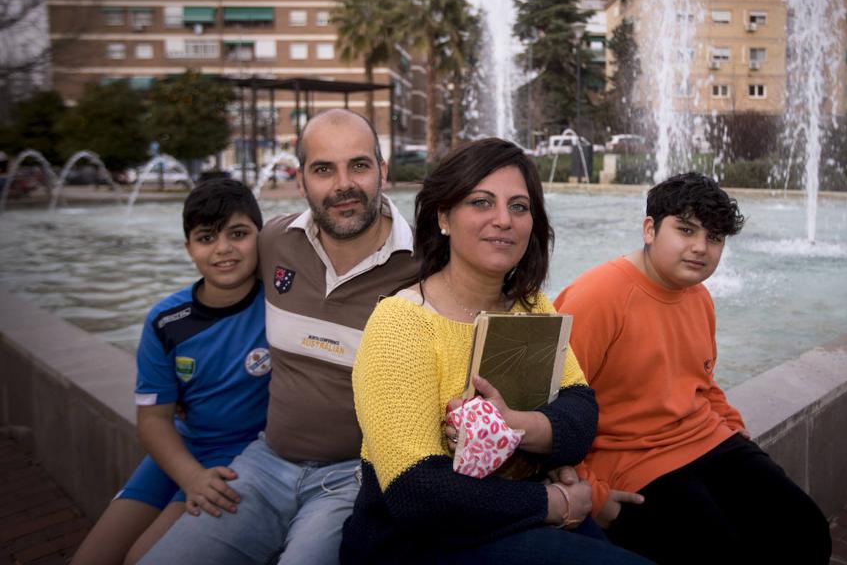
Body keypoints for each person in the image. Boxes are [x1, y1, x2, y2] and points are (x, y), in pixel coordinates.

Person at [340, 138, 654, 565]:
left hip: (512, 518)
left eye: (519, 207)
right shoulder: (402, 323)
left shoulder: (531, 307)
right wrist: (553, 502)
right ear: (444, 218)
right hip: (420, 544)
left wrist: (516, 425)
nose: (503, 220)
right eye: (481, 203)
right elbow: (419, 492)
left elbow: (580, 416)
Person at [140, 109, 418, 564]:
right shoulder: (275, 242)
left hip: (354, 479)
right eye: (323, 169)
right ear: (300, 180)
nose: (343, 184)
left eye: (359, 165)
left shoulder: (424, 264)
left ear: (383, 172)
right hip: (264, 463)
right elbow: (217, 278)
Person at [554, 172, 832, 564]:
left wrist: (735, 429)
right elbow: (551, 406)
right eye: (686, 230)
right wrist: (595, 498)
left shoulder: (698, 296)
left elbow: (702, 381)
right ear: (650, 229)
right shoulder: (597, 297)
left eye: (714, 238)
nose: (701, 248)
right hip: (631, 460)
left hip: (706, 438)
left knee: (806, 533)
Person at [72, 178, 268, 565]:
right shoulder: (167, 321)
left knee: (141, 558)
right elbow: (153, 421)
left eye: (239, 234)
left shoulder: (281, 302)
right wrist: (190, 476)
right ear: (189, 248)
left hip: (240, 456)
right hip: (183, 449)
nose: (224, 248)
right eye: (206, 237)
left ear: (261, 238)